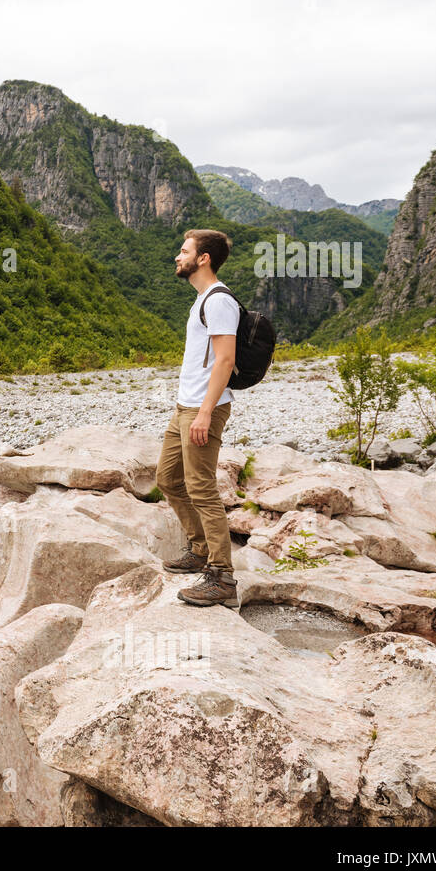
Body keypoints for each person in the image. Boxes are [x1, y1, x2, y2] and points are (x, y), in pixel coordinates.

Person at [156, 228, 242, 607]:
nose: (178, 256)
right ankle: (200, 548)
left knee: (202, 487)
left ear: (203, 258)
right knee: (167, 478)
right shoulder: (202, 299)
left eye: (184, 250)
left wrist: (205, 413)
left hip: (203, 408)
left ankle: (222, 577)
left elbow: (225, 360)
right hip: (184, 406)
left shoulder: (219, 301)